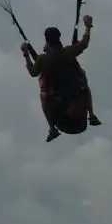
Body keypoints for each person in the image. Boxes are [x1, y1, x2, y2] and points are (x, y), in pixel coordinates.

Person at [21, 14, 101, 142]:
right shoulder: (69, 52)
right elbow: (84, 43)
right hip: (78, 106)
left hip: (60, 110)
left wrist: (26, 55)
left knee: (43, 96)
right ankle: (91, 115)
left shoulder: (43, 59)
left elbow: (33, 72)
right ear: (59, 38)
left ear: (47, 41)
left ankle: (52, 129)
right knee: (83, 80)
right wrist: (88, 27)